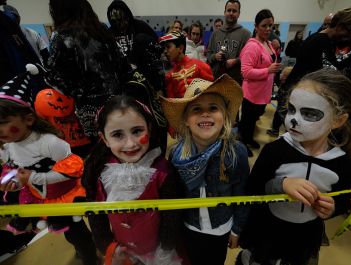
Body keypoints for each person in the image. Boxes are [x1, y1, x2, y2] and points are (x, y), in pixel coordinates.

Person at [238, 69, 351, 265]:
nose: (293, 119)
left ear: (338, 120)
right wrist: (281, 185)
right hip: (266, 234)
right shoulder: (275, 150)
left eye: (309, 113)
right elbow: (252, 188)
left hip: (303, 240)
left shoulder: (342, 162)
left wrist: (333, 208)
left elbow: (344, 199)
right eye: (292, 109)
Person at [0, 67, 97, 265]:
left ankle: (90, 256)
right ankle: (84, 249)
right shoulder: (7, 145)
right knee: (66, 233)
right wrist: (12, 182)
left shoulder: (50, 143)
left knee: (76, 232)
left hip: (64, 196)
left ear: (28, 119)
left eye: (3, 122)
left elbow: (73, 170)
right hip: (40, 197)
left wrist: (33, 178)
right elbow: (13, 169)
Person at [160, 74, 250, 265]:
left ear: (224, 115)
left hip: (221, 227)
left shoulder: (236, 153)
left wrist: (237, 229)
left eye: (213, 108)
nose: (205, 113)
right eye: (197, 109)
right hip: (189, 227)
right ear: (185, 120)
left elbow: (242, 195)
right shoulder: (176, 154)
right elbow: (174, 196)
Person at [83, 95, 183, 265]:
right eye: (117, 135)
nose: (130, 144)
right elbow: (96, 215)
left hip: (158, 252)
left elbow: (171, 216)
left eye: (137, 131)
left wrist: (166, 248)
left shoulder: (163, 172)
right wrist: (107, 246)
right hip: (122, 252)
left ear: (149, 129)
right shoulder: (99, 172)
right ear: (104, 139)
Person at [267, 6, 351, 138]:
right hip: (296, 92)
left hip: (302, 92)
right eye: (349, 31)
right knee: (294, 135)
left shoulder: (328, 42)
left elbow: (332, 66)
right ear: (340, 27)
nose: (350, 35)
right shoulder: (318, 41)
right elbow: (328, 70)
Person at [46, 0, 131, 140]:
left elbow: (53, 76)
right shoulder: (101, 29)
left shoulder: (61, 36)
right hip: (117, 99)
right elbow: (123, 64)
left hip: (89, 107)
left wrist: (76, 93)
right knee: (121, 139)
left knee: (101, 144)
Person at [238, 9, 281, 157]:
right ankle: (242, 145)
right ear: (256, 27)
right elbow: (245, 72)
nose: (268, 29)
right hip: (252, 94)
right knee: (247, 122)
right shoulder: (252, 46)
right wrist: (267, 70)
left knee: (254, 120)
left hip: (263, 93)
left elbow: (268, 61)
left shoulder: (268, 43)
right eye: (264, 25)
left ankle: (248, 139)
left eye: (271, 26)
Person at [207, 0, 251, 84]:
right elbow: (208, 55)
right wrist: (215, 56)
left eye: (234, 11)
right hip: (216, 81)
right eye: (229, 10)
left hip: (236, 83)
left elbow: (249, 59)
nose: (231, 13)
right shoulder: (215, 34)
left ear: (239, 14)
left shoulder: (246, 34)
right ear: (224, 12)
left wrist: (236, 61)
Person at [160, 31, 213, 98]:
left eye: (168, 47)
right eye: (164, 48)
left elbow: (212, 93)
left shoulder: (201, 66)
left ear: (180, 48)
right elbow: (172, 102)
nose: (165, 51)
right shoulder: (170, 76)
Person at [107, 0, 157, 68]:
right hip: (122, 70)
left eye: (122, 20)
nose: (119, 24)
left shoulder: (139, 25)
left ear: (127, 16)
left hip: (143, 66)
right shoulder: (110, 32)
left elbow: (155, 40)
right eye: (115, 21)